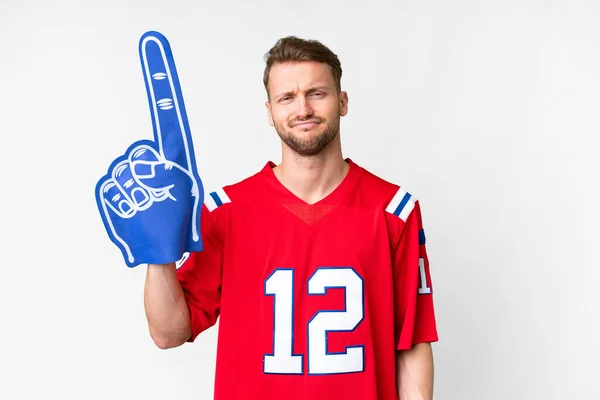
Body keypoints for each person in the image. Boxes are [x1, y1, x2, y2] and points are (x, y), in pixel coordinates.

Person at [143, 36, 439, 400]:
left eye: (317, 93)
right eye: (287, 97)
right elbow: (168, 333)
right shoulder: (226, 212)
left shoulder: (394, 210)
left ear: (342, 102)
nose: (303, 109)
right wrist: (156, 250)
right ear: (269, 112)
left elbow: (411, 344)